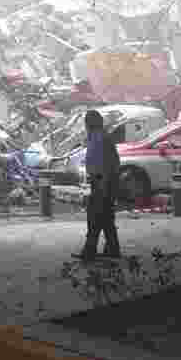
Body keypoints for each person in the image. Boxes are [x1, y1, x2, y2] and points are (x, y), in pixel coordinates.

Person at [73, 110, 121, 262]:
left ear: (89, 123)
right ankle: (112, 248)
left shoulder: (100, 138)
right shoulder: (98, 136)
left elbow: (108, 163)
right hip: (103, 182)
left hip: (103, 182)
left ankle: (90, 251)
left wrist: (103, 184)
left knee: (95, 217)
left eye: (86, 122)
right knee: (106, 217)